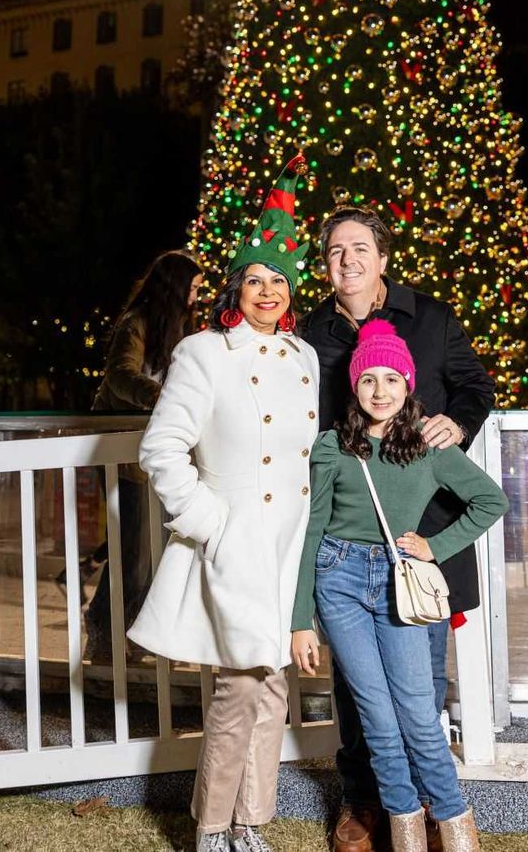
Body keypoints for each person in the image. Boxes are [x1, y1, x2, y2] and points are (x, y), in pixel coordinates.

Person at [128, 156, 319, 852]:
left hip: (287, 547)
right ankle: (212, 827)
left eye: (279, 279)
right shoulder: (203, 353)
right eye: (255, 278)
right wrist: (210, 522)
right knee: (241, 690)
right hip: (233, 544)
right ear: (235, 287)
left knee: (274, 691)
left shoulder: (305, 357)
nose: (267, 290)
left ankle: (251, 824)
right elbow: (162, 449)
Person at [301, 207, 495, 852]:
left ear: (383, 256)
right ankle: (367, 802)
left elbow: (473, 385)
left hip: (421, 528)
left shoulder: (431, 318)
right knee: (359, 693)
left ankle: (435, 810)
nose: (348, 261)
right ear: (324, 264)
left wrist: (457, 423)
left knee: (420, 689)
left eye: (360, 248)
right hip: (348, 527)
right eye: (334, 252)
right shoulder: (314, 334)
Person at [83, 249, 203, 662]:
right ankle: (103, 633)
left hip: (156, 452)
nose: (197, 295)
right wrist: (162, 398)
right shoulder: (136, 323)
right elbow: (120, 376)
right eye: (193, 287)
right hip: (122, 448)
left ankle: (133, 637)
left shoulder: (183, 329)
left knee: (150, 549)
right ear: (174, 285)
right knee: (130, 549)